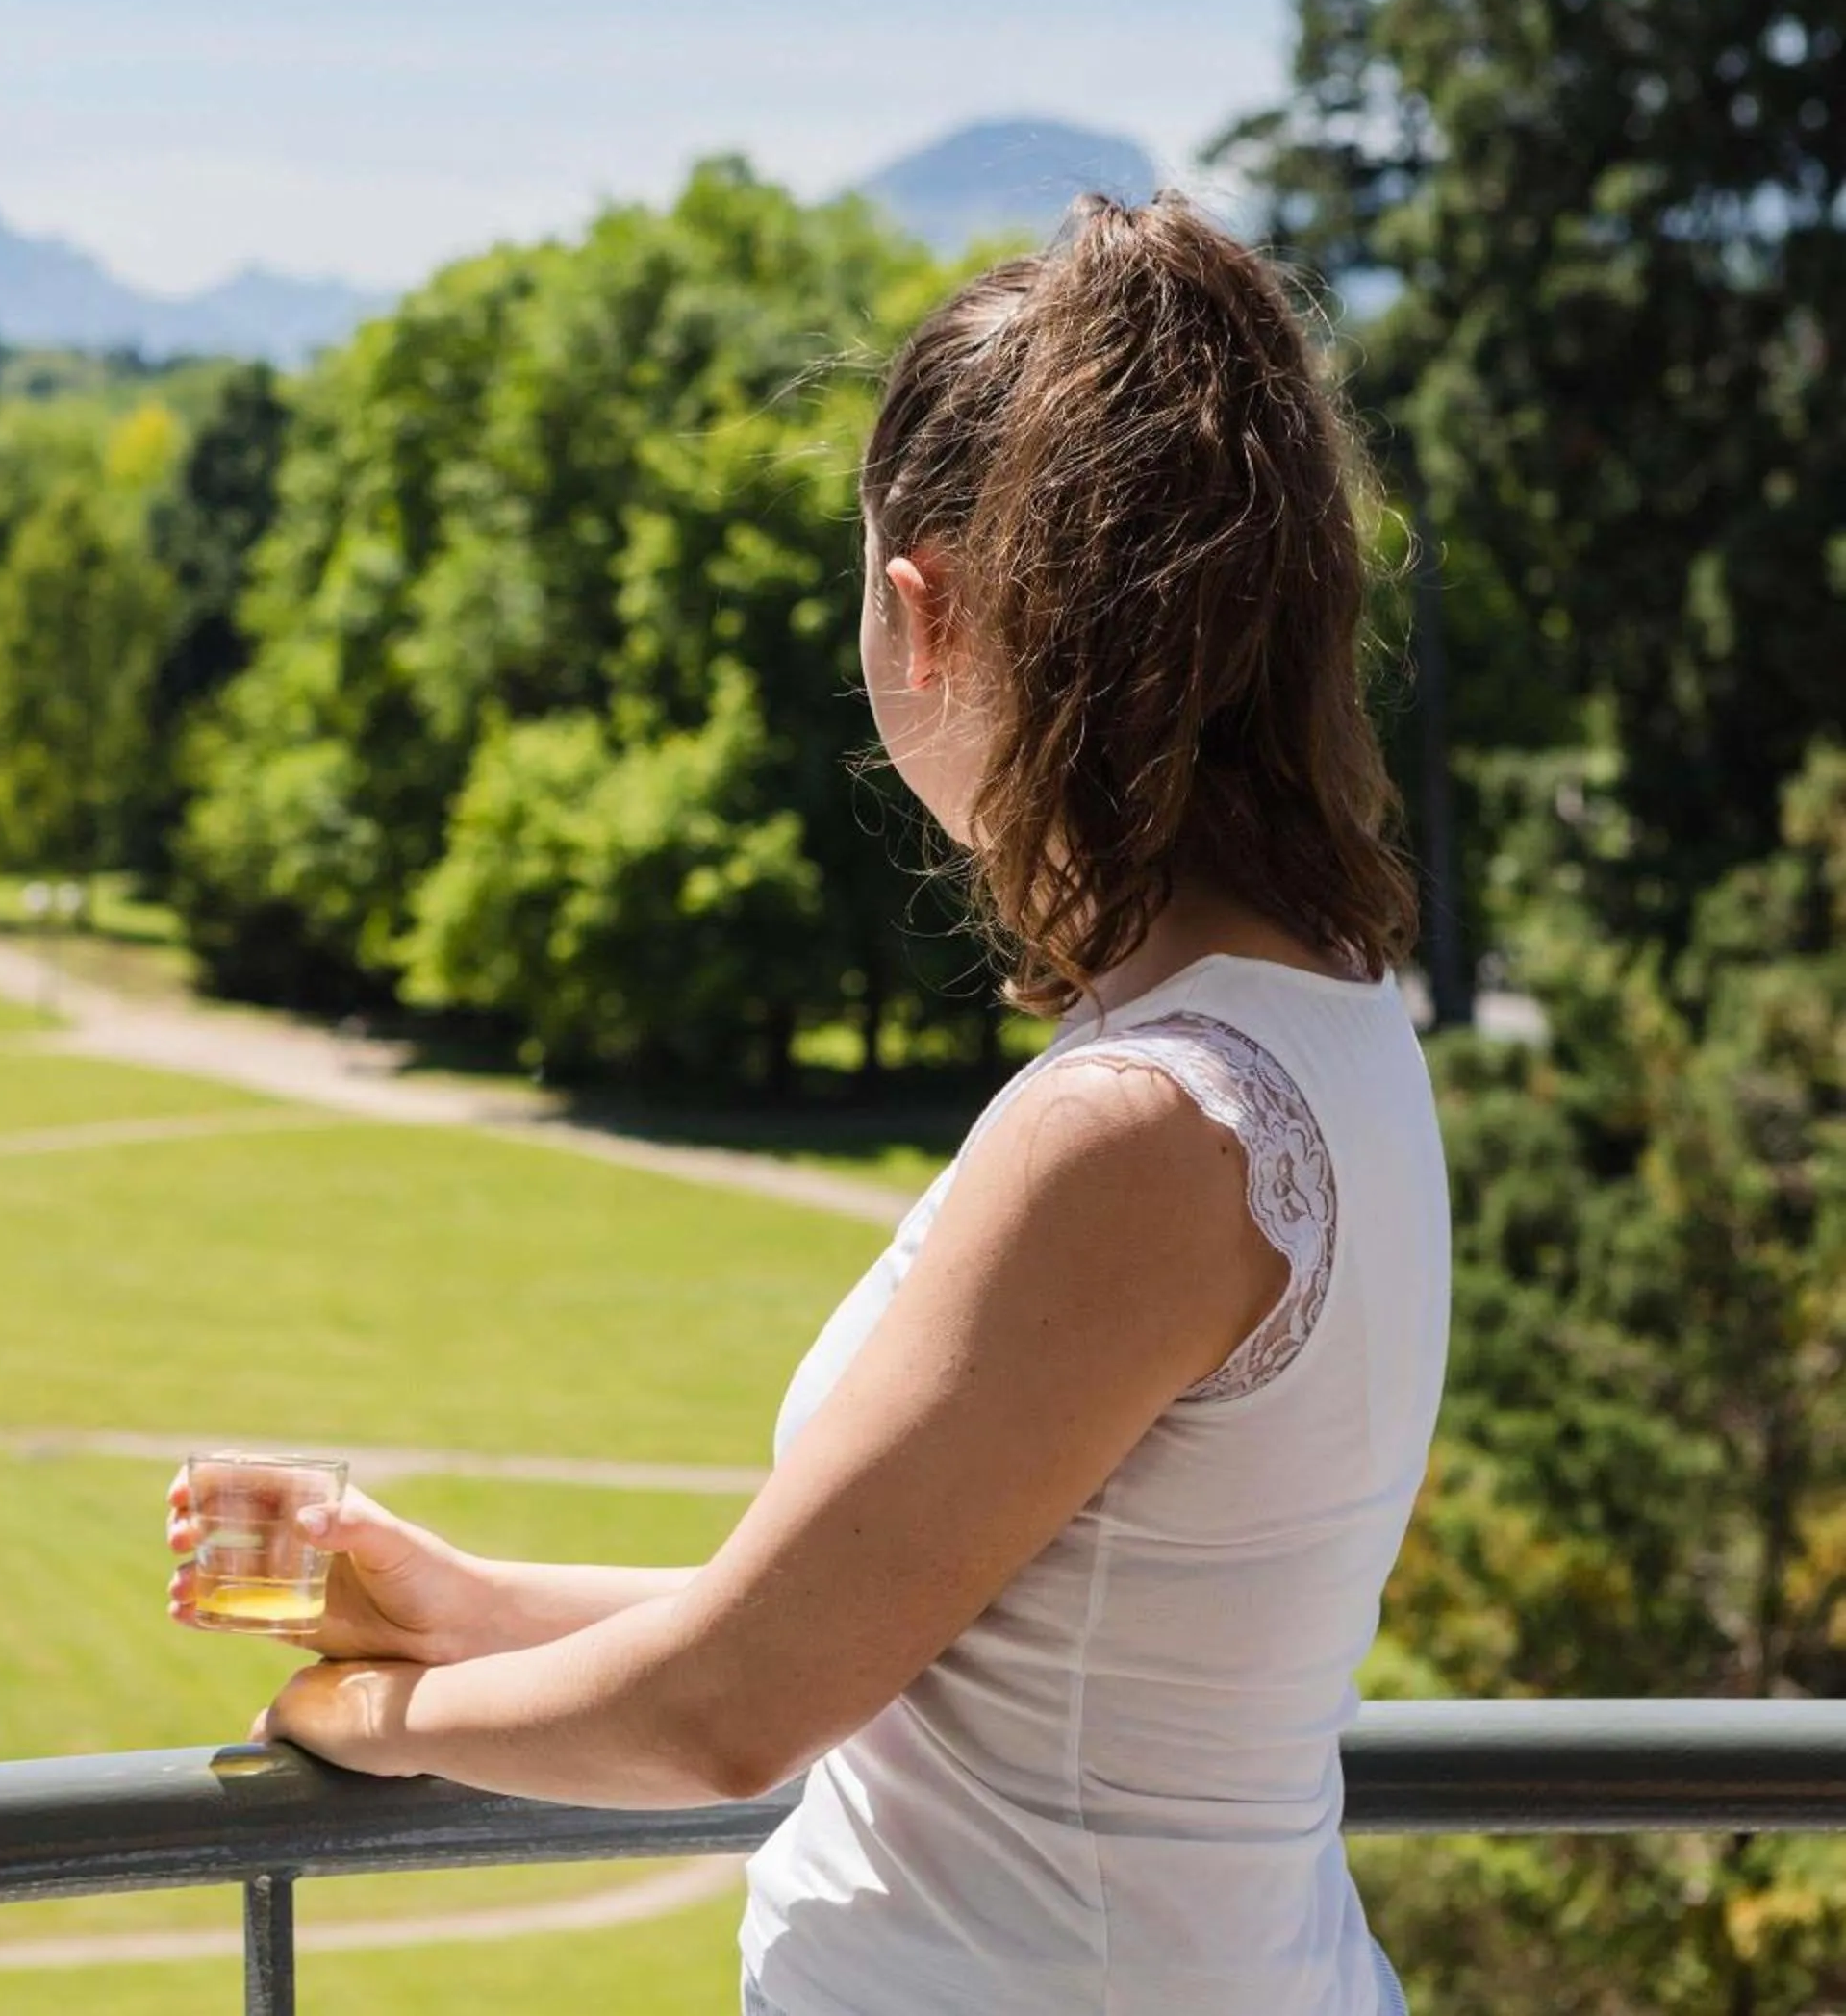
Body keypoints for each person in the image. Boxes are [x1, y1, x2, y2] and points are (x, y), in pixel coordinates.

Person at [167, 193, 1446, 2016]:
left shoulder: (1145, 1123)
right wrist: (466, 1603)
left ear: (923, 614)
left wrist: (368, 1713)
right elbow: (920, 1626)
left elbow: (731, 1712)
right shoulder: (1325, 1026)